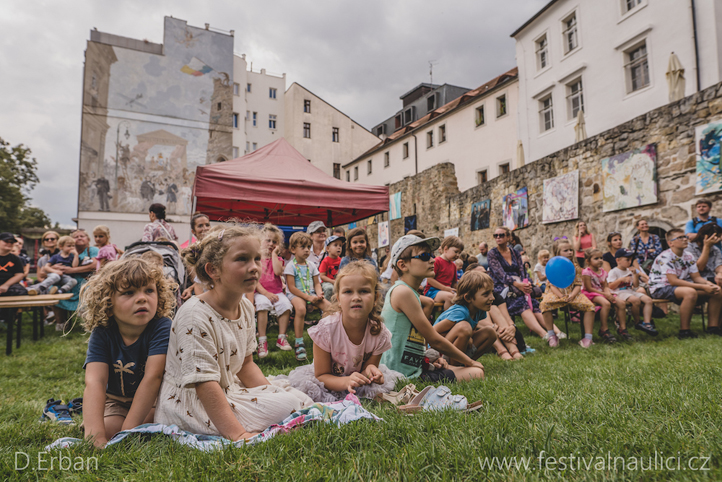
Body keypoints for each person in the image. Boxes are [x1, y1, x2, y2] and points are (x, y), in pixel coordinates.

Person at [156, 224, 313, 440]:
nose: (254, 267)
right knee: (289, 405)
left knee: (293, 397)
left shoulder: (246, 306)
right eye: (242, 259)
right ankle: (241, 423)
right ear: (213, 270)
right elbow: (204, 385)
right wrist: (239, 434)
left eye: (257, 259)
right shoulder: (194, 315)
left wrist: (271, 393)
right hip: (194, 405)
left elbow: (246, 366)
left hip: (226, 389)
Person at [80, 258, 175, 448]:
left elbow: (153, 377)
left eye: (149, 290)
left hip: (155, 402)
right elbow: (95, 382)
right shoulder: (102, 332)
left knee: (145, 428)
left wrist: (128, 431)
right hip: (115, 402)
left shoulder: (162, 327)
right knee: (105, 430)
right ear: (108, 302)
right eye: (129, 293)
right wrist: (94, 435)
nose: (142, 298)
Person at [284, 261, 402, 402]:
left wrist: (370, 371)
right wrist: (345, 382)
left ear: (376, 298)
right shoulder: (326, 330)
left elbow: (365, 370)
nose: (356, 297)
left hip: (356, 381)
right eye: (348, 292)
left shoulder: (379, 333)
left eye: (364, 291)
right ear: (339, 299)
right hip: (327, 381)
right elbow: (321, 375)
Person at [380, 235, 485, 382]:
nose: (432, 260)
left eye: (431, 255)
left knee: (467, 370)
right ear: (403, 265)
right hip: (402, 376)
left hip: (411, 368)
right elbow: (434, 339)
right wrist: (470, 361)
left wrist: (428, 358)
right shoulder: (403, 292)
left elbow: (411, 338)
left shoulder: (408, 292)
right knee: (476, 372)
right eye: (424, 256)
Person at [487, 227, 562, 339]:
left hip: (520, 285)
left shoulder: (515, 253)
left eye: (501, 235)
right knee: (521, 301)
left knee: (533, 303)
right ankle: (544, 334)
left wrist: (526, 284)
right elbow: (500, 274)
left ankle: (556, 332)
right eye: (495, 235)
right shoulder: (492, 253)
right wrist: (518, 285)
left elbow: (522, 271)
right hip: (501, 287)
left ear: (508, 237)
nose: (498, 238)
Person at [648, 228, 722, 338]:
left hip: (680, 286)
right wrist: (702, 286)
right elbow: (673, 281)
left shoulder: (688, 255)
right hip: (661, 287)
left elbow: (696, 277)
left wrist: (709, 284)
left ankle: (713, 328)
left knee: (717, 291)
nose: (685, 239)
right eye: (680, 237)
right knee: (690, 292)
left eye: (685, 237)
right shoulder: (665, 257)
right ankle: (684, 331)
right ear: (670, 243)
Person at [540, 239, 597, 348]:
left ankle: (588, 338)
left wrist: (572, 295)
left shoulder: (576, 267)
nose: (570, 252)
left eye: (571, 250)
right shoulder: (553, 265)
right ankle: (552, 335)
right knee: (544, 304)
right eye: (566, 250)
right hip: (556, 293)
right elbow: (552, 284)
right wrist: (561, 296)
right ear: (558, 252)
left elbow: (578, 284)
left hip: (573, 293)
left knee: (590, 306)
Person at [284, 231, 332, 361]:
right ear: (293, 249)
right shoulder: (290, 266)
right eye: (303, 247)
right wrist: (308, 298)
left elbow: (317, 283)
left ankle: (326, 337)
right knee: (301, 309)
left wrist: (318, 293)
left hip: (311, 293)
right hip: (296, 294)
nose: (307, 250)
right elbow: (292, 287)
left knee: (331, 308)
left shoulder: (311, 265)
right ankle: (299, 342)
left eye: (308, 247)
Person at [433, 270, 498, 364]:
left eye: (492, 292)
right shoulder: (459, 312)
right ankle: (455, 366)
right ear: (468, 298)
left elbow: (473, 329)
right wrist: (466, 337)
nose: (492, 298)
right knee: (464, 327)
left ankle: (465, 363)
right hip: (438, 352)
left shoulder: (479, 310)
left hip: (456, 349)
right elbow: (432, 333)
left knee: (490, 333)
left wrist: (469, 337)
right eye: (486, 294)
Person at [255, 224, 293, 358]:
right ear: (261, 241)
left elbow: (277, 271)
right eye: (268, 240)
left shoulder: (278, 259)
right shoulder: (256, 259)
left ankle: (281, 338)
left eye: (275, 242)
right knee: (263, 305)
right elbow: (256, 281)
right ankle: (262, 340)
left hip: (277, 292)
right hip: (261, 292)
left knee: (286, 305)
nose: (271, 244)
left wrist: (274, 255)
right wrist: (265, 293)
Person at [52, 230, 99, 332]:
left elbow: (94, 265)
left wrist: (72, 270)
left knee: (88, 289)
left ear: (88, 239)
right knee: (53, 289)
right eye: (76, 236)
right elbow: (57, 264)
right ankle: (61, 323)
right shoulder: (66, 251)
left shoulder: (92, 250)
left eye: (82, 236)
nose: (79, 238)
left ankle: (88, 323)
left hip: (85, 281)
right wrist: (55, 267)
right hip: (69, 282)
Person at [581, 249, 629, 343]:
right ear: (588, 261)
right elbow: (589, 288)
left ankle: (622, 329)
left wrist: (608, 293)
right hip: (591, 293)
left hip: (602, 292)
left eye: (601, 258)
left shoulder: (603, 272)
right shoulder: (587, 272)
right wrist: (605, 295)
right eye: (596, 258)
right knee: (606, 304)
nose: (600, 260)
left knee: (621, 303)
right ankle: (604, 329)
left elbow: (605, 286)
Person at [607, 249, 658, 336]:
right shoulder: (614, 271)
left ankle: (647, 323)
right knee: (636, 300)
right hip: (619, 292)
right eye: (627, 260)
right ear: (618, 260)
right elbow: (610, 286)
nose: (630, 262)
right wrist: (620, 280)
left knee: (648, 300)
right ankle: (637, 322)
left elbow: (636, 285)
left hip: (630, 291)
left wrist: (635, 275)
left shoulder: (629, 270)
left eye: (631, 259)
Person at [424, 236, 464, 311]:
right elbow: (429, 280)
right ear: (445, 249)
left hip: (446, 291)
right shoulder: (437, 261)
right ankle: (446, 319)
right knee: (450, 297)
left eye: (459, 253)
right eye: (456, 251)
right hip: (432, 291)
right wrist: (444, 288)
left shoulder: (453, 266)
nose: (458, 255)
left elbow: (454, 283)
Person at [685, 222, 722, 288]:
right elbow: (699, 268)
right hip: (694, 280)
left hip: (710, 278)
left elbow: (718, 265)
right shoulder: (689, 247)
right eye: (716, 237)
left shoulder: (715, 249)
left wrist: (720, 273)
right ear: (706, 236)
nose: (718, 239)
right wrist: (707, 247)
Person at [319, 235, 345, 300]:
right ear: (327, 249)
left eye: (340, 245)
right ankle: (326, 307)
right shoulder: (325, 261)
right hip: (327, 283)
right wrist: (332, 281)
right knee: (329, 289)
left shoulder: (342, 260)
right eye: (335, 245)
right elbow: (322, 276)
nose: (339, 247)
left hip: (338, 281)